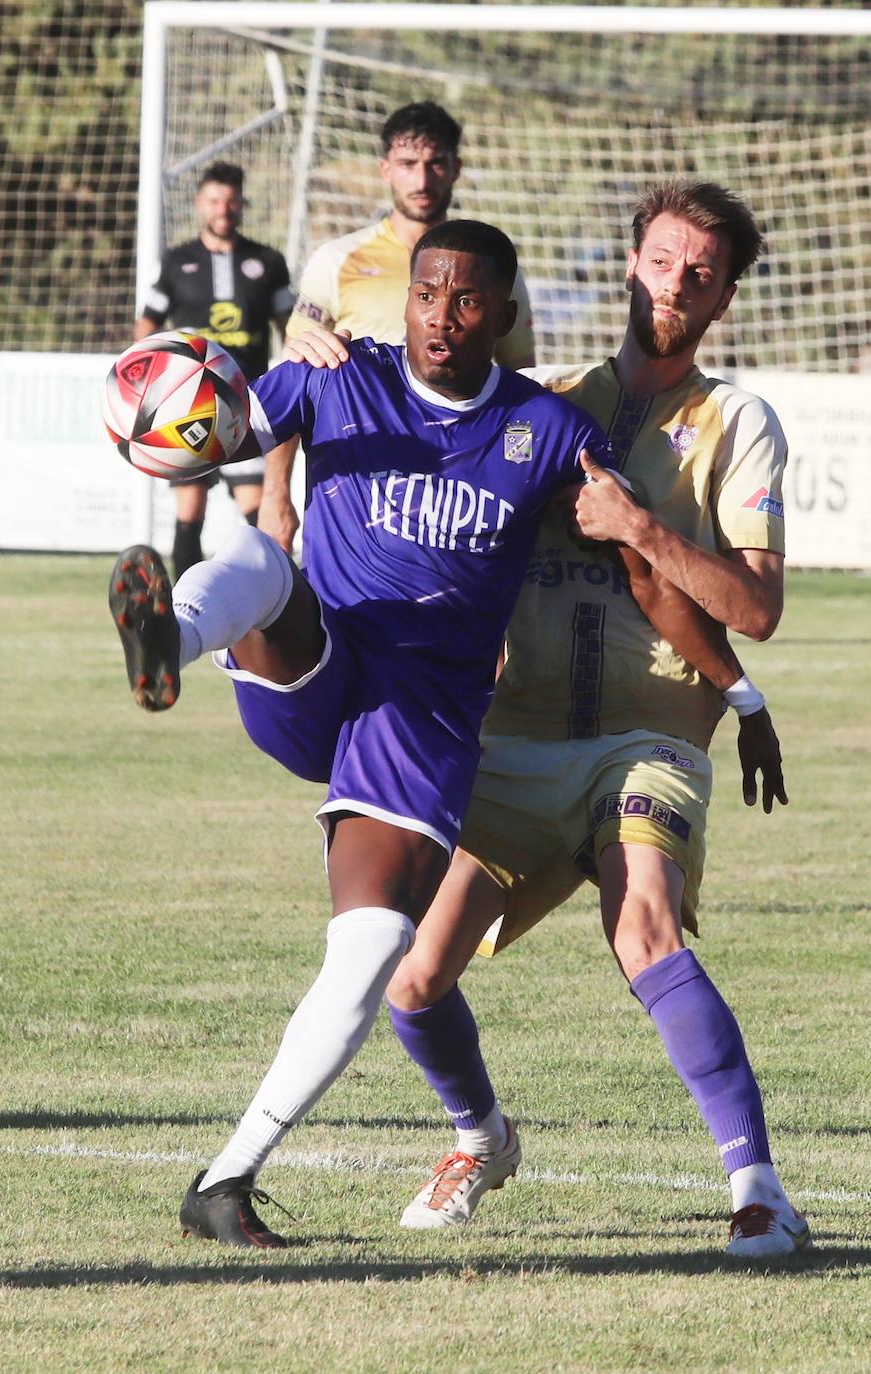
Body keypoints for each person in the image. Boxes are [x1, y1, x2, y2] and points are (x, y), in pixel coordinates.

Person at [286, 180, 807, 1260]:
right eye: (661, 262)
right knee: (411, 979)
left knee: (643, 926)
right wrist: (310, 341)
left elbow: (751, 607)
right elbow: (411, 387)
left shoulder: (735, 422)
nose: (675, 285)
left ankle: (757, 1192)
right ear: (629, 265)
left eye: (699, 274)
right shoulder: (543, 405)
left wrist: (659, 555)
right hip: (509, 741)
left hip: (647, 739)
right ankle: (481, 1137)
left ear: (722, 298)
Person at [108, 220, 625, 1248]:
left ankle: (225, 1181)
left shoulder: (546, 430)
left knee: (378, 946)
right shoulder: (342, 377)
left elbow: (620, 532)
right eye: (427, 294)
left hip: (418, 716)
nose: (441, 316)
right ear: (408, 299)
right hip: (318, 661)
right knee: (265, 562)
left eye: (466, 299)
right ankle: (170, 631)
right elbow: (223, 429)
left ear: (505, 316)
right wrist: (183, 401)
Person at [258, 101, 536, 555]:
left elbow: (520, 383)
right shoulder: (336, 261)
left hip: (458, 498)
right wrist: (275, 496)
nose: (422, 180)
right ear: (386, 169)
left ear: (456, 169)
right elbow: (293, 383)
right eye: (408, 164)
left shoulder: (494, 272)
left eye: (435, 164)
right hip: (354, 496)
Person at [135, 162, 294, 578]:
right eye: (214, 201)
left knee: (258, 511)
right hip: (187, 406)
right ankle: (183, 609)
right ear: (200, 204)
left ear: (241, 204)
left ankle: (270, 608)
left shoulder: (268, 261)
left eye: (231, 201)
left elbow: (290, 331)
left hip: (248, 406)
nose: (223, 209)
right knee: (189, 508)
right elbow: (146, 325)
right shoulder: (176, 262)